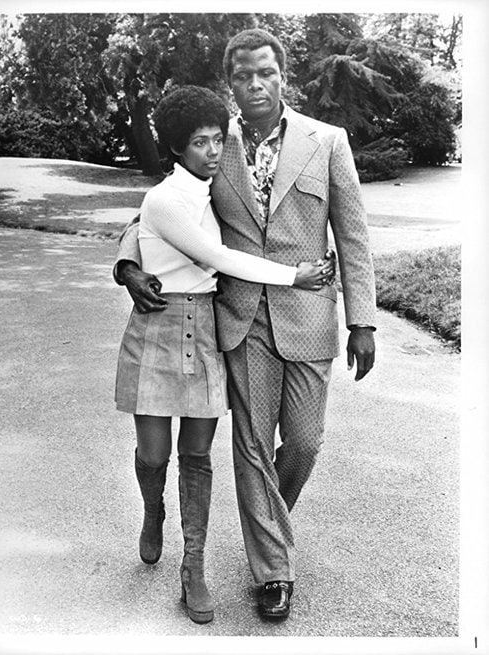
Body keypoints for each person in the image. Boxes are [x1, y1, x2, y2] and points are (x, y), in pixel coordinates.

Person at [115, 28, 376, 621]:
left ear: (284, 76)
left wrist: (364, 320)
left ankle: (267, 526)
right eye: (241, 76)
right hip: (238, 322)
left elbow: (353, 236)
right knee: (253, 448)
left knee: (304, 446)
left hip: (309, 318)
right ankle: (273, 573)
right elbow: (157, 210)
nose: (254, 85)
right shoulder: (213, 143)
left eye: (266, 73)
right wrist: (127, 264)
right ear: (229, 83)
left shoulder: (326, 142)